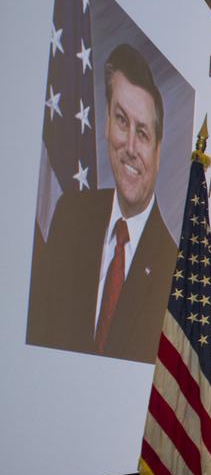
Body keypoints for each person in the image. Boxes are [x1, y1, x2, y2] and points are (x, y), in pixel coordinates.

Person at [27, 43, 178, 363]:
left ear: (158, 148)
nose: (130, 146)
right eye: (122, 120)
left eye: (144, 133)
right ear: (106, 123)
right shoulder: (70, 214)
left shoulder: (172, 263)